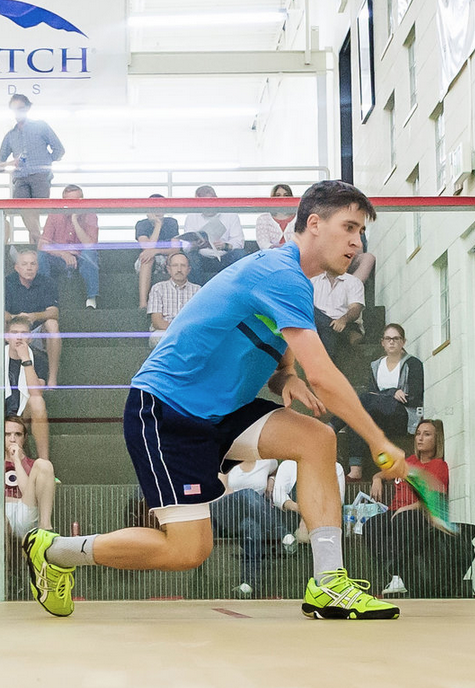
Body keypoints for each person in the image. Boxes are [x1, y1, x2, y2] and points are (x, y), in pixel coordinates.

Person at [21, 180, 408, 620]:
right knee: (188, 550)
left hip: (225, 411)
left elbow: (277, 342)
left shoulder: (295, 280)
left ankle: (329, 585)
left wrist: (284, 377)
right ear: (315, 224)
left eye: (361, 233)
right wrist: (379, 440)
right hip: (169, 411)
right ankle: (55, 552)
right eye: (350, 228)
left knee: (316, 440)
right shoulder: (280, 273)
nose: (357, 243)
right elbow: (324, 375)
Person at [365, 419, 449, 593]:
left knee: (402, 520)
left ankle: (399, 576)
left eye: (427, 434)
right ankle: (394, 574)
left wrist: (406, 508)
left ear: (437, 439)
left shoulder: (438, 465)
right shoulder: (409, 462)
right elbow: (385, 472)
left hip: (418, 514)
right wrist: (377, 478)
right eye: (418, 434)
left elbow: (434, 498)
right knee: (371, 526)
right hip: (396, 512)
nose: (420, 438)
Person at [339, 324, 425, 480]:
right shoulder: (376, 365)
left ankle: (334, 425)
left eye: (396, 338)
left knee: (362, 401)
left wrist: (389, 396)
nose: (391, 342)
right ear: (382, 343)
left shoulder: (413, 364)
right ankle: (356, 469)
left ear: (403, 342)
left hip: (402, 416)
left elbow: (414, 397)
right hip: (380, 415)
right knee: (359, 416)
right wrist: (392, 393)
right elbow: (374, 394)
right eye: (388, 339)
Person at [0, 317, 50, 478]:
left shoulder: (39, 359)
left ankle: (45, 465)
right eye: (14, 333)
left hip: (23, 415)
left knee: (38, 402)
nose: (19, 337)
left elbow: (36, 392)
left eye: (23, 333)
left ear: (30, 337)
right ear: (6, 336)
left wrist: (26, 359)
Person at [0, 93, 65, 244]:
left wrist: (45, 161)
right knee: (24, 207)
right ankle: (40, 240)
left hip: (40, 175)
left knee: (33, 210)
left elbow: (59, 149)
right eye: (14, 109)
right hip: (20, 177)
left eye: (20, 108)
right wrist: (9, 163)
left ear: (27, 108)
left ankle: (36, 241)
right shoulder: (10, 135)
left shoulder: (40, 126)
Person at [210, 459, 286, 597]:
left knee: (252, 527)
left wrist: (272, 479)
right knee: (247, 494)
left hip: (250, 518)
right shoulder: (227, 459)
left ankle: (248, 584)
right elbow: (222, 490)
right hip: (224, 513)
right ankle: (281, 532)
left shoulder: (267, 462)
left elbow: (278, 469)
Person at [0, 416, 57, 539]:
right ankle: (2, 559)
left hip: (26, 513)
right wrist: (16, 500)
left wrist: (18, 462)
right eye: (7, 434)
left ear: (24, 438)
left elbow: (31, 497)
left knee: (44, 464)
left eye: (18, 434)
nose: (12, 439)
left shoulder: (34, 466)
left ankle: (45, 530)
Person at [4, 249, 61, 388]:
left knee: (52, 325)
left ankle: (52, 380)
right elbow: (1, 313)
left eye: (32, 264)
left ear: (37, 267)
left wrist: (34, 316)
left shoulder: (47, 282)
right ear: (17, 268)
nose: (29, 267)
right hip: (14, 329)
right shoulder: (7, 282)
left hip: (36, 331)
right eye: (24, 264)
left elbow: (54, 312)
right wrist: (17, 317)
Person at [38, 184, 100, 309]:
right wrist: (62, 253)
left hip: (81, 256)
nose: (72, 204)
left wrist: (75, 221)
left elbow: (90, 245)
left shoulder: (90, 215)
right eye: (69, 201)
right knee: (41, 256)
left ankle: (91, 298)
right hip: (59, 257)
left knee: (90, 254)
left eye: (76, 200)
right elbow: (42, 244)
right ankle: (43, 297)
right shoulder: (55, 214)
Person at [273, 458, 346, 552]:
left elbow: (338, 500)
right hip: (292, 516)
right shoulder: (288, 465)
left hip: (323, 518)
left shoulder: (336, 467)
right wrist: (299, 508)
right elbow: (278, 495)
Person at [182, 185, 246, 284]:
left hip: (224, 257)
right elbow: (186, 245)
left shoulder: (230, 215)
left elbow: (239, 242)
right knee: (189, 257)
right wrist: (196, 245)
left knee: (240, 254)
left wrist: (224, 245)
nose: (206, 207)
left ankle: (237, 290)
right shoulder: (192, 216)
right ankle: (199, 292)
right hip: (202, 258)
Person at [135, 195, 182, 309]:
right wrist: (158, 225)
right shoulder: (142, 224)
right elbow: (147, 248)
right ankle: (143, 303)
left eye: (161, 206)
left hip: (166, 257)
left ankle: (177, 301)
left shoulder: (171, 222)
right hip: (147, 260)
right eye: (154, 206)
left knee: (177, 259)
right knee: (147, 258)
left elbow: (176, 249)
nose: (158, 210)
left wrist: (156, 251)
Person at [311, 266, 366, 358]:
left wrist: (343, 319)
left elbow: (355, 309)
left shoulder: (353, 282)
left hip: (345, 324)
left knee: (326, 330)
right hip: (319, 328)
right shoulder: (312, 282)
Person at [146, 252, 199, 348]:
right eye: (175, 266)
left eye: (183, 266)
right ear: (168, 269)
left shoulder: (198, 290)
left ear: (189, 269)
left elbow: (198, 320)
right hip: (164, 332)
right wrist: (177, 331)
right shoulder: (158, 288)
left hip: (188, 332)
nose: (179, 269)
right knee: (158, 338)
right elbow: (157, 322)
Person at [255, 184, 296, 250]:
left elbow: (303, 242)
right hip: (271, 257)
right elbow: (263, 244)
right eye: (278, 195)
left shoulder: (299, 218)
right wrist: (277, 248)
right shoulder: (263, 218)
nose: (282, 198)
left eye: (286, 195)